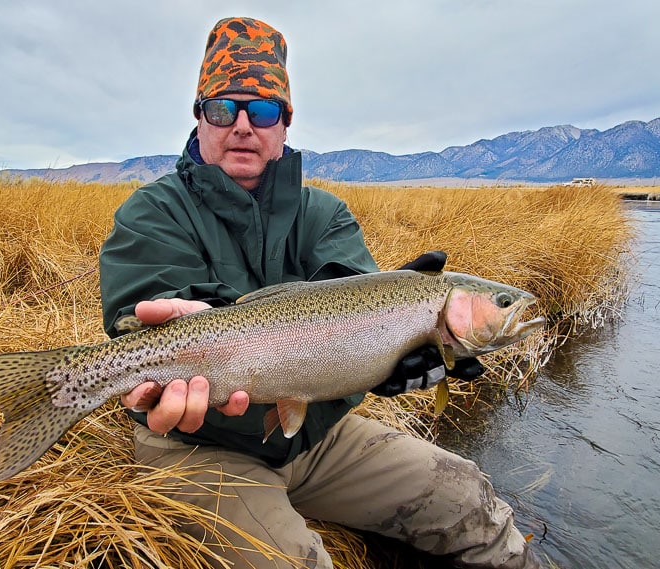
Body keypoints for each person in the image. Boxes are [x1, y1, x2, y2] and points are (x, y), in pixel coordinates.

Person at [98, 16, 540, 569]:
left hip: (316, 437)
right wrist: (201, 326)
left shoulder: (325, 213)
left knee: (471, 499)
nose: (241, 125)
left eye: (261, 110)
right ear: (199, 117)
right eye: (221, 108)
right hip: (194, 447)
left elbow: (346, 320)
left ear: (284, 123)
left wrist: (396, 356)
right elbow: (135, 312)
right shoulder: (152, 213)